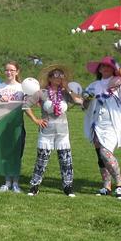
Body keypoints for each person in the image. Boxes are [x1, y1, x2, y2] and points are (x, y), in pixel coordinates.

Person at [25, 64, 83, 197]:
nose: (59, 78)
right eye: (56, 76)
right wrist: (36, 120)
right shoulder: (42, 93)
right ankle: (34, 186)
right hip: (46, 132)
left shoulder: (65, 94)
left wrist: (68, 88)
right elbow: (26, 105)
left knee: (66, 161)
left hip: (63, 133)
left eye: (61, 76)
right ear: (50, 78)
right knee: (41, 160)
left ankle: (68, 187)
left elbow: (78, 101)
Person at [83, 56, 121, 199]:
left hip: (113, 125)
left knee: (105, 153)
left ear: (114, 69)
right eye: (103, 66)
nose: (105, 68)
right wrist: (86, 99)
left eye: (108, 66)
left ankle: (119, 185)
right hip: (96, 124)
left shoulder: (120, 82)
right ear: (99, 69)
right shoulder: (94, 85)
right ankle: (106, 186)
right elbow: (85, 105)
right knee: (100, 156)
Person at [0, 61, 26, 192]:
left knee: (17, 154)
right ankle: (7, 182)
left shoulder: (22, 87)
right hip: (2, 126)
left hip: (17, 125)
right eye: (7, 70)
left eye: (12, 70)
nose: (9, 72)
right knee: (5, 153)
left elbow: (28, 105)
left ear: (17, 72)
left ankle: (16, 182)